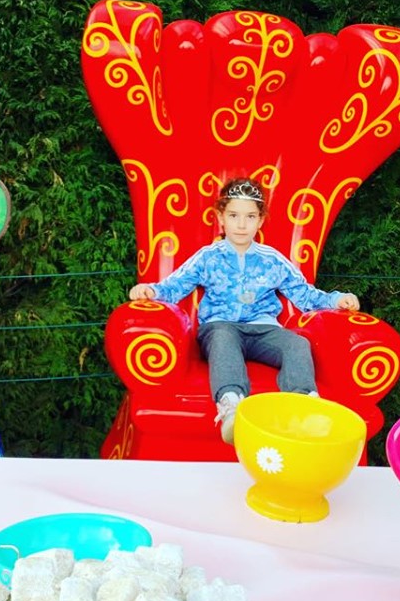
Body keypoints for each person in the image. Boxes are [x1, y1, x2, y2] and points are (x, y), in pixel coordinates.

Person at [129, 177, 360, 444]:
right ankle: (232, 407)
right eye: (233, 215)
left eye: (250, 216)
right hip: (220, 327)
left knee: (297, 343)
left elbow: (304, 294)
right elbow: (174, 287)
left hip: (264, 330)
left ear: (260, 221)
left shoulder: (272, 260)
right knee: (224, 338)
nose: (241, 224)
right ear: (221, 218)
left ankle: (304, 407)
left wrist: (336, 300)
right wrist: (151, 291)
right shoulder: (208, 257)